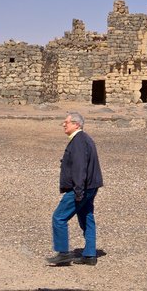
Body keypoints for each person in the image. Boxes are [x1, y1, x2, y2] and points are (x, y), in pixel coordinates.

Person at [45, 111, 103, 266]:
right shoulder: (84, 139)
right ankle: (90, 255)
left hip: (81, 188)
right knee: (87, 217)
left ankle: (63, 253)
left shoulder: (78, 141)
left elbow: (79, 167)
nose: (64, 124)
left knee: (59, 217)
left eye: (67, 122)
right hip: (91, 186)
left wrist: (78, 191)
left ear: (76, 124)